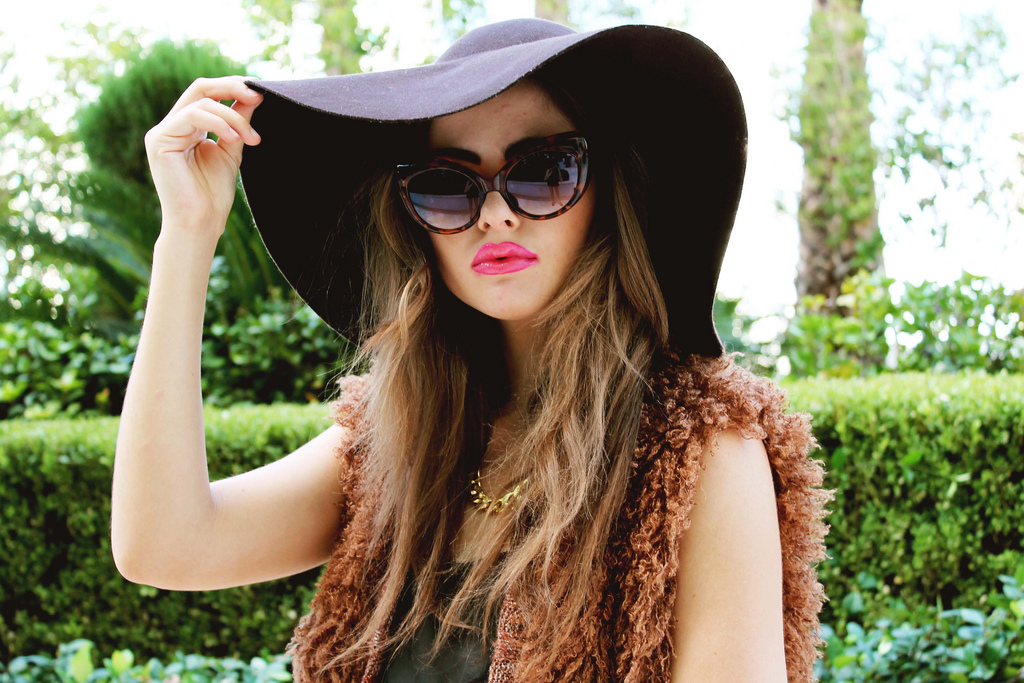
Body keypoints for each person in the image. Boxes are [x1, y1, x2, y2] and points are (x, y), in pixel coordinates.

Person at [112, 17, 834, 683]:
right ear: (414, 221)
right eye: (448, 187)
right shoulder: (390, 444)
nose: (495, 212)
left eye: (543, 173)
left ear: (606, 192)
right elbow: (163, 544)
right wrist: (187, 235)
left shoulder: (699, 451)